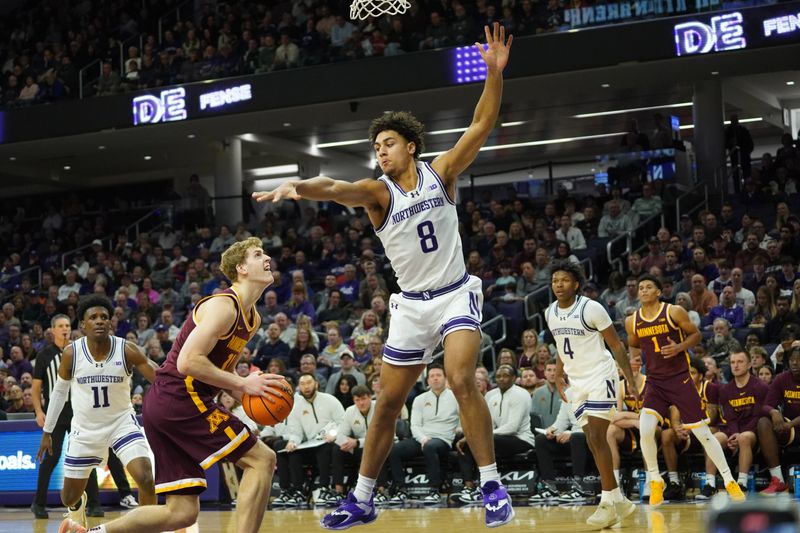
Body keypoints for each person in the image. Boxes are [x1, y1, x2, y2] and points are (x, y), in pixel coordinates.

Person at [253, 23, 514, 530]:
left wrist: (493, 75)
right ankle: (363, 498)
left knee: (462, 378)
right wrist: (299, 186)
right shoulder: (377, 193)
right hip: (411, 305)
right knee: (388, 403)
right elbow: (333, 186)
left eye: (389, 143)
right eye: (376, 146)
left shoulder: (442, 172)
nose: (381, 152)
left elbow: (481, 124)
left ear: (411, 146)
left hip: (456, 293)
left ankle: (491, 485)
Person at [59, 238, 285, 533]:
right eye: (258, 254)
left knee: (181, 514)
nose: (267, 257)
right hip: (181, 398)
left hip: (167, 403)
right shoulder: (223, 306)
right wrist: (244, 383)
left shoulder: (251, 317)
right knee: (262, 460)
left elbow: (220, 366)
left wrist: (243, 391)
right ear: (241, 268)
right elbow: (188, 362)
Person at [38, 296, 157, 531]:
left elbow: (161, 379)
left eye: (104, 317)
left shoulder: (127, 349)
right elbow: (59, 394)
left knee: (145, 478)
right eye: (93, 317)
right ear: (83, 325)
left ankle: (147, 528)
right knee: (68, 497)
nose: (100, 321)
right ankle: (78, 504)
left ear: (111, 323)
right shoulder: (72, 353)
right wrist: (47, 431)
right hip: (85, 429)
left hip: (121, 423)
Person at [625, 274, 745, 506]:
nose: (643, 291)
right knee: (646, 429)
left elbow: (696, 335)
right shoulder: (632, 320)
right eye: (640, 287)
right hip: (655, 382)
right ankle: (655, 480)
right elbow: (632, 345)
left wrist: (679, 347)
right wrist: (634, 368)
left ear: (659, 291)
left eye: (649, 287)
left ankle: (729, 480)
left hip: (680, 380)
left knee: (703, 433)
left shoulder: (673, 312)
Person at [545, 262, 637, 528]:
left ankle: (607, 502)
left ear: (575, 284)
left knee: (598, 436)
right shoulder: (550, 311)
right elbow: (562, 346)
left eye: (564, 280)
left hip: (600, 375)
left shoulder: (591, 308)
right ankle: (619, 499)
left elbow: (616, 345)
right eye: (555, 280)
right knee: (591, 440)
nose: (558, 284)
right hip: (576, 380)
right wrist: (560, 372)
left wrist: (628, 380)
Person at [388, 364, 460, 504]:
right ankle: (401, 489)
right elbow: (415, 425)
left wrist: (457, 431)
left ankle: (435, 490)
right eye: (432, 376)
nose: (435, 379)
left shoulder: (456, 397)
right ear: (427, 381)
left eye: (438, 375)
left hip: (443, 439)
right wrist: (422, 438)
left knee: (430, 447)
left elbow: (463, 421)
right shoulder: (420, 399)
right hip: (422, 438)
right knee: (394, 450)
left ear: (445, 378)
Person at [660, 356, 720, 501]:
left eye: (692, 373)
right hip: (688, 432)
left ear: (700, 375)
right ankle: (674, 482)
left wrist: (689, 427)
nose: (688, 376)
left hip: (710, 428)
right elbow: (674, 412)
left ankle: (710, 484)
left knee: (708, 433)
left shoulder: (709, 388)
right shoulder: (679, 389)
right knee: (667, 434)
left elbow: (711, 418)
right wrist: (677, 428)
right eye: (686, 372)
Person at [708, 350, 768, 493]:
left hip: (753, 430)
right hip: (733, 429)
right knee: (713, 439)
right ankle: (709, 484)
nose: (735, 366)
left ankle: (742, 482)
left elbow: (757, 416)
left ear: (748, 365)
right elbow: (730, 417)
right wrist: (734, 433)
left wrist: (739, 435)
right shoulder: (725, 389)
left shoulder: (760, 386)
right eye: (733, 362)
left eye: (740, 362)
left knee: (744, 438)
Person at [757, 347, 800, 495]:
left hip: (792, 425)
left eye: (799, 360)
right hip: (791, 430)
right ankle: (778, 479)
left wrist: (791, 424)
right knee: (764, 422)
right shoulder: (782, 378)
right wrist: (774, 411)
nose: (795, 363)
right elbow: (765, 405)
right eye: (792, 360)